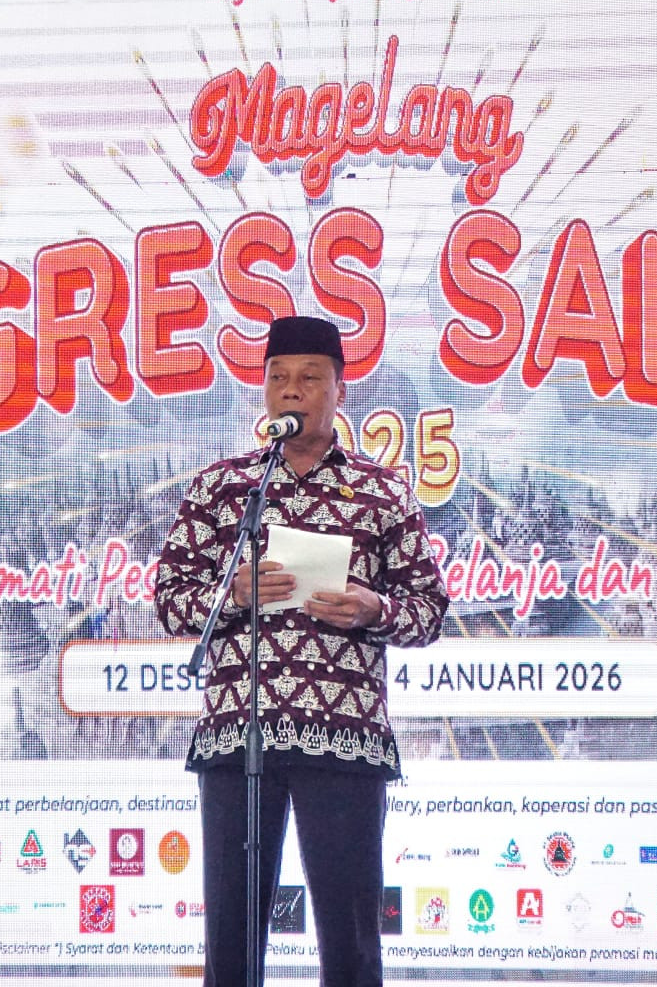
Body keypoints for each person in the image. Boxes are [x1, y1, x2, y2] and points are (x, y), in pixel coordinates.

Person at [155, 315, 448, 987]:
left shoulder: (382, 492)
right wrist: (234, 593)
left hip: (344, 737)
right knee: (231, 943)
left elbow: (429, 610)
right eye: (278, 378)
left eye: (310, 378)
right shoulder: (224, 487)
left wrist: (376, 608)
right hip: (240, 738)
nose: (292, 390)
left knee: (351, 944)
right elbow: (169, 601)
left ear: (340, 391)